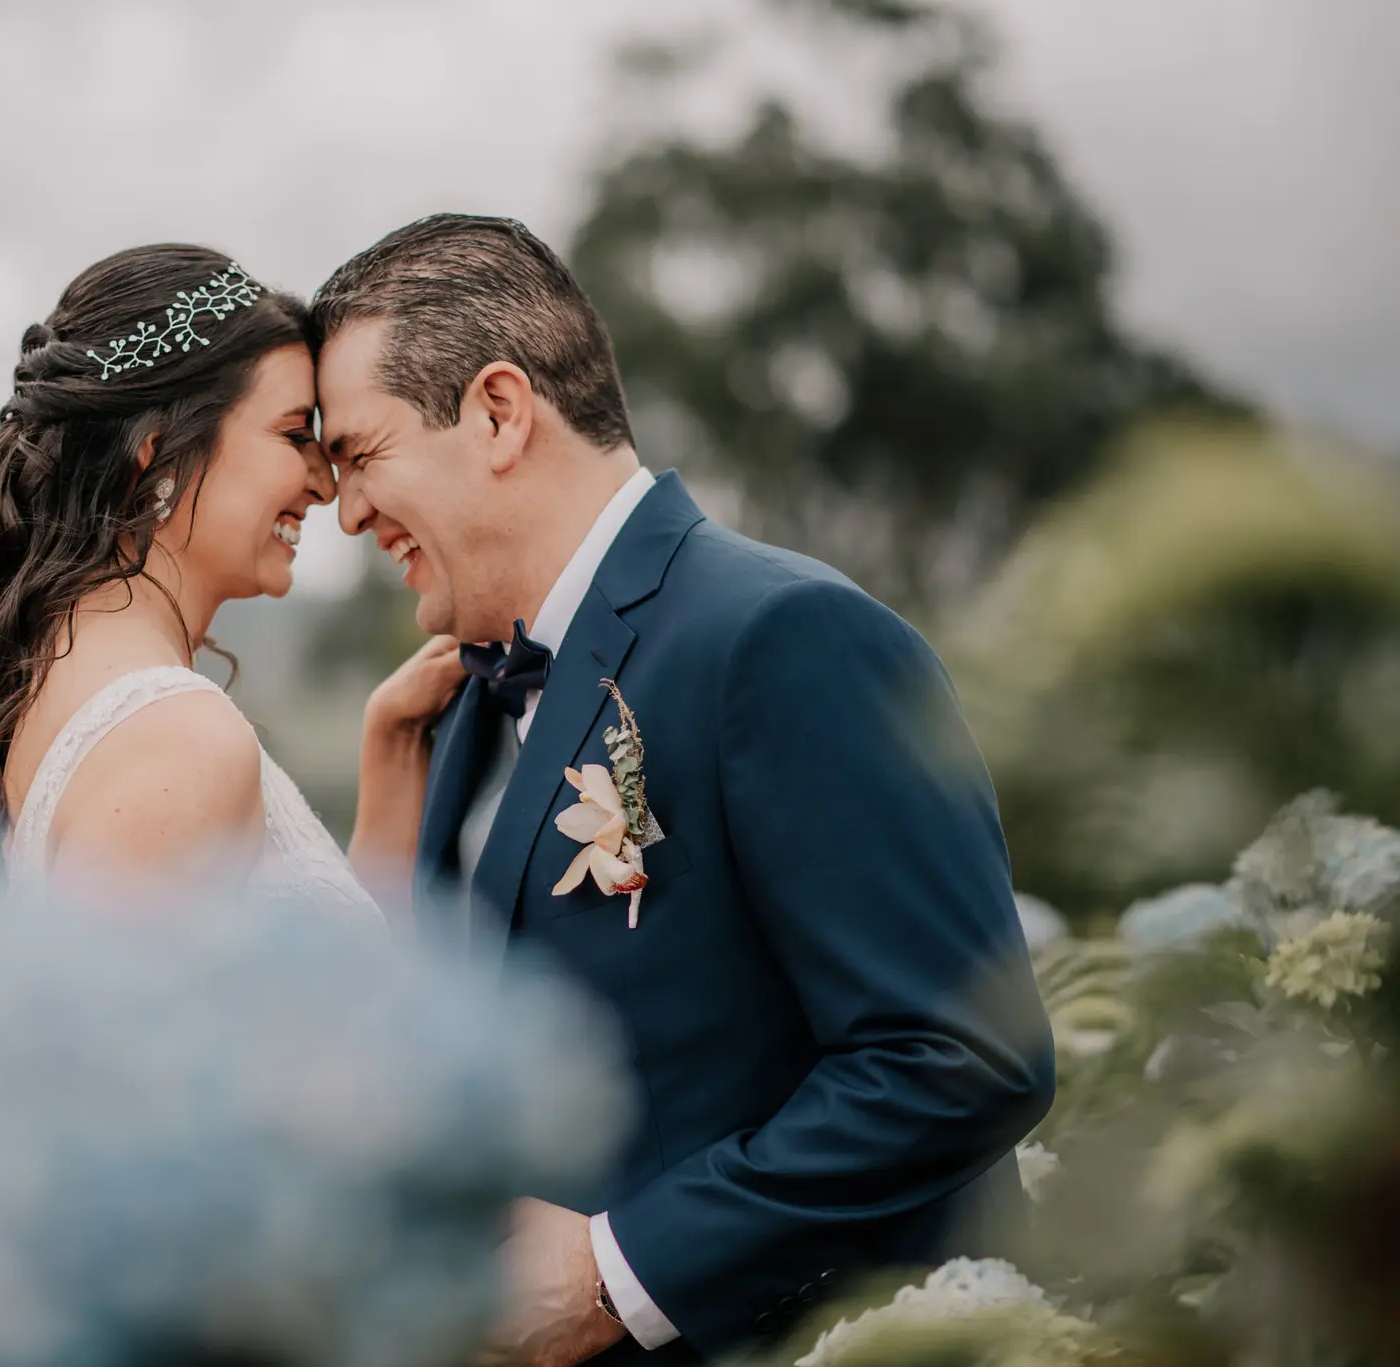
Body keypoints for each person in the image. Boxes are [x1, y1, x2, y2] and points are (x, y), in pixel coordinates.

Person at [312, 214, 1056, 1367]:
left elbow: (956, 1055)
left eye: (359, 454)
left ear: (498, 412)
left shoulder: (785, 635)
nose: (347, 510)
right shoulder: (456, 704)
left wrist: (619, 1273)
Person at [0, 244, 462, 920]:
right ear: (157, 460)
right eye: (294, 434)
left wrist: (390, 752)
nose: (325, 484)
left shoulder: (74, 689)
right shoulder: (177, 744)